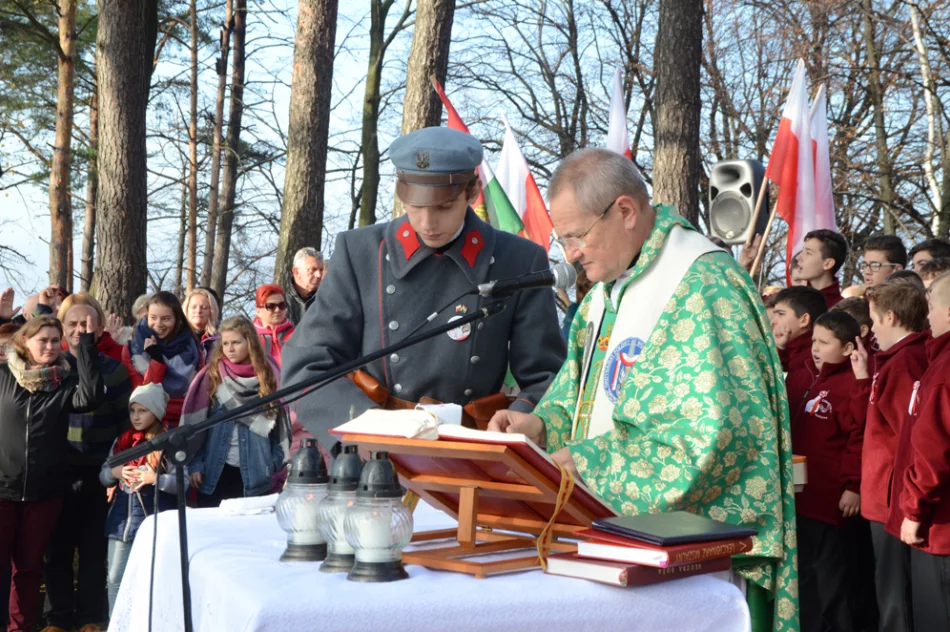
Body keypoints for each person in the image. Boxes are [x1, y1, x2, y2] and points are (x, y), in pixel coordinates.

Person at [488, 148, 797, 632]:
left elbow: (718, 437)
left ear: (625, 212)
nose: (569, 253)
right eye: (563, 238)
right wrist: (543, 424)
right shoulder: (606, 293)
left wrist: (591, 463)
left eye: (576, 236)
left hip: (689, 562)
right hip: (612, 545)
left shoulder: (702, 286)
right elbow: (581, 390)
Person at [282, 126, 565, 449]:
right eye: (415, 206)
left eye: (444, 207)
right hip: (374, 453)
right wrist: (364, 427)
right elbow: (305, 364)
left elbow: (547, 376)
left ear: (472, 192)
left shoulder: (520, 259)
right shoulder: (360, 252)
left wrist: (518, 423)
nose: (428, 223)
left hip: (472, 454)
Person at [0, 314, 103, 632]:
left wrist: (86, 345)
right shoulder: (3, 376)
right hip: (1, 491)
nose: (49, 345)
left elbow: (90, 397)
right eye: (42, 339)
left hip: (43, 495)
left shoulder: (65, 381)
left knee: (29, 569)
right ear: (24, 342)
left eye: (55, 340)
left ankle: (21, 628)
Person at [41, 305, 131, 632]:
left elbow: (127, 426)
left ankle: (90, 618)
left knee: (93, 551)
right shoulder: (53, 368)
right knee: (57, 550)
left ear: (101, 326)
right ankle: (57, 619)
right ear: (63, 328)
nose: (80, 330)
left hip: (99, 475)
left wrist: (115, 471)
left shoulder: (114, 371)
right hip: (58, 474)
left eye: (87, 324)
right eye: (73, 324)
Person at [851, 279, 929, 632]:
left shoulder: (905, 364)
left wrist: (906, 501)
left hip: (893, 499)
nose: (871, 332)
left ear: (892, 318)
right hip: (886, 497)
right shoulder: (894, 361)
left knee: (895, 594)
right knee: (888, 589)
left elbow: (912, 438)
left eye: (875, 320)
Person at [789, 311, 864, 632]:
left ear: (848, 349)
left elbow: (860, 437)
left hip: (829, 501)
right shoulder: (805, 374)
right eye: (813, 341)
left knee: (829, 581)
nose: (815, 348)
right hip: (798, 499)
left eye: (824, 342)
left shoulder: (852, 386)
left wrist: (854, 485)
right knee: (803, 575)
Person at [183, 316, 290, 507]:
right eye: (225, 343)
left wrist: (270, 464)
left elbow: (280, 429)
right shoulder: (213, 375)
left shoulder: (269, 374)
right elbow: (196, 428)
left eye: (236, 342)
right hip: (214, 475)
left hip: (255, 477)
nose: (230, 349)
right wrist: (195, 464)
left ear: (250, 342)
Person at [893, 271, 950, 629]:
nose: (927, 316)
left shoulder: (944, 370)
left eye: (931, 305)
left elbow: (934, 450)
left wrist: (913, 511)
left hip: (941, 525)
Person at [100, 384, 177, 615]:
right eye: (133, 411)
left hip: (155, 522)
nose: (136, 416)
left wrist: (156, 478)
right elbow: (103, 474)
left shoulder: (169, 441)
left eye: (142, 411)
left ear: (156, 411)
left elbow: (180, 483)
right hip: (121, 522)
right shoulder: (122, 441)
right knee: (115, 578)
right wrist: (115, 473)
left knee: (152, 579)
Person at [121, 292, 201, 428]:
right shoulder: (132, 350)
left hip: (186, 424)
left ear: (177, 319)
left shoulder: (193, 347)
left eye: (165, 319)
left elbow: (198, 392)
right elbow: (144, 397)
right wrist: (157, 361)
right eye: (153, 318)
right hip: (150, 428)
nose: (158, 324)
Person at [57, 292, 124, 362]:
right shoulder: (55, 354)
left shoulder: (121, 354)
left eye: (85, 324)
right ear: (63, 327)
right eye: (72, 323)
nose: (79, 330)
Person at [795, 229, 848, 307]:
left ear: (828, 264)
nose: (798, 257)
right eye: (802, 251)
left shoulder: (841, 309)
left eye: (808, 253)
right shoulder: (792, 301)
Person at [253, 284, 295, 370]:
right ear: (258, 311)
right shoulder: (250, 338)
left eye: (281, 305)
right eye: (270, 306)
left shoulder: (297, 335)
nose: (277, 310)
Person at [285, 247, 325, 326]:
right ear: (296, 272)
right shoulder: (280, 304)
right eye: (313, 270)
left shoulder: (327, 301)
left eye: (321, 270)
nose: (319, 275)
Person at [182, 288, 221, 359]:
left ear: (211, 311)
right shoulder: (176, 337)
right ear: (186, 310)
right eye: (193, 307)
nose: (198, 311)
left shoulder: (220, 342)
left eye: (204, 307)